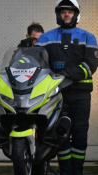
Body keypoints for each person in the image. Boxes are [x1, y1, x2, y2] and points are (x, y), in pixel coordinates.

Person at [35, 0, 98, 174]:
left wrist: (67, 74)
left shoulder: (88, 37)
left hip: (80, 94)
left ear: (76, 15)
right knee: (59, 133)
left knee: (79, 133)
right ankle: (65, 171)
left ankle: (77, 171)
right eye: (63, 12)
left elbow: (90, 65)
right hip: (57, 94)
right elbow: (38, 63)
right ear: (58, 14)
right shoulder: (45, 38)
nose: (67, 14)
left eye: (70, 11)